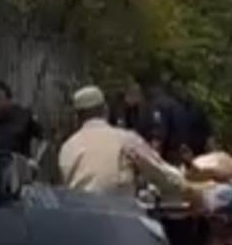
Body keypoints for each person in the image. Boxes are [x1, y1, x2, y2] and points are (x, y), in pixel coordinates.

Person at [59, 85, 188, 201]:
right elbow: (162, 173)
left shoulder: (67, 148)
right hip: (118, 219)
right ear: (105, 110)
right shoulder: (125, 140)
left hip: (80, 219)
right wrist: (186, 182)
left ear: (76, 117)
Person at [0, 81, 44, 160]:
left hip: (21, 167)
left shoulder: (24, 115)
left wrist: (36, 159)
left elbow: (45, 137)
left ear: (7, 99)